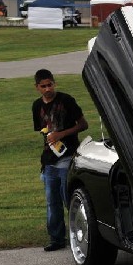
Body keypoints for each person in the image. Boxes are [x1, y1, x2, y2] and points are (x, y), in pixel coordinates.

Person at [32, 69, 88, 251]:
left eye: (50, 84)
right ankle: (56, 239)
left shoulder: (66, 100)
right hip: (49, 161)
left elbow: (83, 124)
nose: (48, 89)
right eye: (43, 86)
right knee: (52, 202)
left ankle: (82, 234)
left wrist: (61, 134)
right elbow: (43, 131)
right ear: (37, 88)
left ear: (54, 83)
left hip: (67, 156)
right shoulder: (36, 106)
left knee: (69, 198)